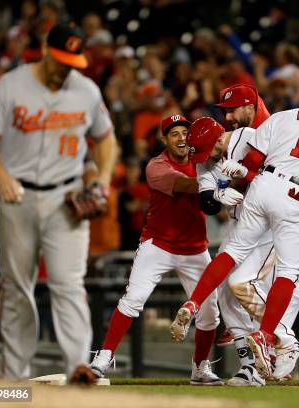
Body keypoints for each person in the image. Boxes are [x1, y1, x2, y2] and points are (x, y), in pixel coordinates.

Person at [171, 88, 299, 379]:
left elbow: (256, 161)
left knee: (255, 276)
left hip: (282, 199)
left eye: (232, 110)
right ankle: (268, 341)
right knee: (274, 277)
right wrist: (224, 186)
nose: (228, 116)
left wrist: (241, 175)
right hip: (290, 195)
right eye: (224, 112)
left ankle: (286, 340)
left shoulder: (276, 119)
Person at [0, 22, 117, 381]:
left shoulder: (86, 91)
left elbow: (107, 139)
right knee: (18, 288)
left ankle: (78, 369)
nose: (67, 68)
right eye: (62, 60)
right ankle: (15, 378)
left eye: (73, 61)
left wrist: (102, 176)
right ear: (48, 51)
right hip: (17, 194)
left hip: (66, 197)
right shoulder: (12, 85)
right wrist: (0, 175)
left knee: (69, 283)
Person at [89, 115, 224, 385]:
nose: (182, 138)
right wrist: (222, 179)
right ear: (164, 140)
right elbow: (186, 185)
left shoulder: (204, 162)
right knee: (133, 299)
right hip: (158, 244)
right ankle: (103, 358)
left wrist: (221, 172)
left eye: (185, 132)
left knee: (210, 314)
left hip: (195, 248)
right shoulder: (156, 166)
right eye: (174, 133)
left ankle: (200, 367)